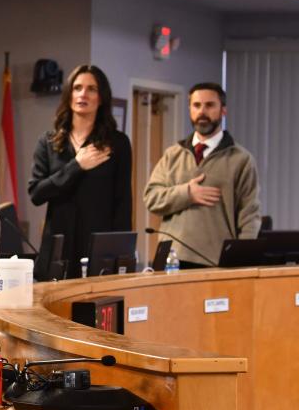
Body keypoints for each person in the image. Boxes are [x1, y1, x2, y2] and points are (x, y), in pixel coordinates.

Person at [144, 82, 260, 267]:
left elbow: (249, 216)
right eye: (196, 105)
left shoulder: (241, 159)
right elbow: (151, 198)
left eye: (210, 105)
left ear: (223, 110)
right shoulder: (173, 154)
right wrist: (187, 193)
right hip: (171, 260)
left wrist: (242, 259)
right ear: (189, 109)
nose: (202, 112)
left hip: (217, 261)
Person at [28, 64, 132, 271]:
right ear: (69, 94)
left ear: (101, 97)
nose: (83, 94)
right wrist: (76, 166)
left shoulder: (117, 143)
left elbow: (123, 203)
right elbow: (36, 193)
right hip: (58, 246)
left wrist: (123, 255)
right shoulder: (48, 142)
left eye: (91, 89)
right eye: (77, 88)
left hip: (99, 249)